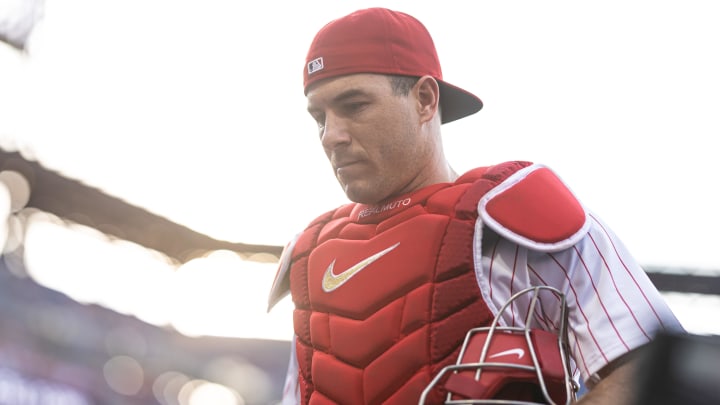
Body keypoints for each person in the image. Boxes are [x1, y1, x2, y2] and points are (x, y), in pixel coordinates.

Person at [267, 7, 685, 405]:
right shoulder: (310, 256)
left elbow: (656, 368)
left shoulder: (513, 216)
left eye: (353, 106)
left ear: (426, 99)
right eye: (318, 116)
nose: (330, 135)